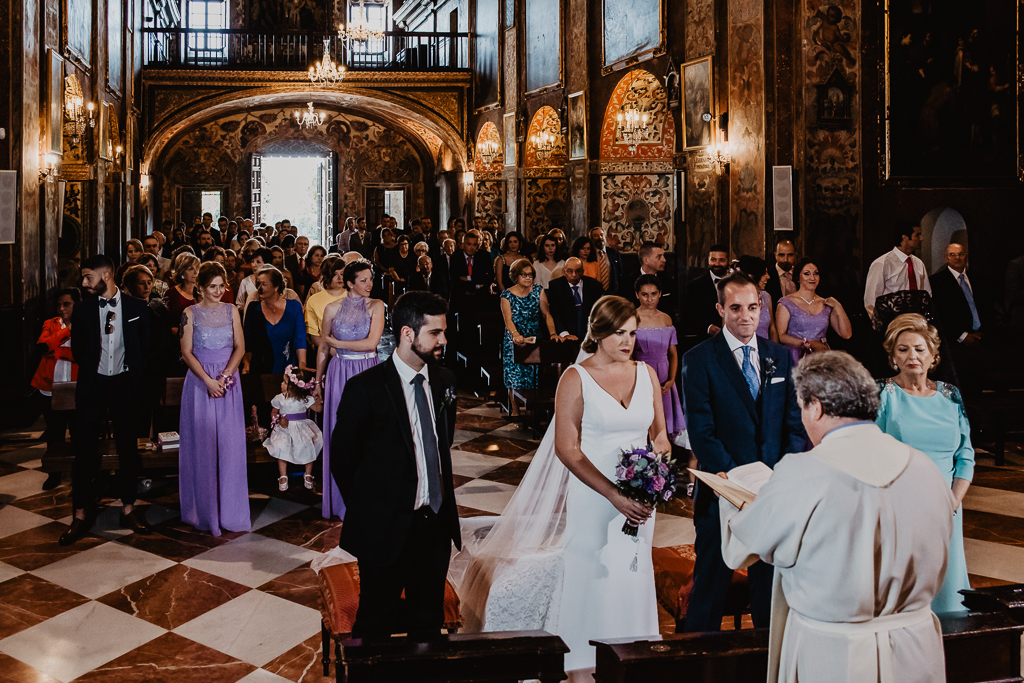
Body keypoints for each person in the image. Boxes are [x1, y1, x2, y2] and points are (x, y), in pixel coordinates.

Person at [455, 296, 668, 679]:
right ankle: (582, 661)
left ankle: (635, 653)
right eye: (619, 333)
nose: (627, 341)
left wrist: (658, 459)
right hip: (595, 496)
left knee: (634, 568)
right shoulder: (576, 378)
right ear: (599, 331)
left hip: (638, 496)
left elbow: (660, 433)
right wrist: (613, 494)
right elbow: (566, 449)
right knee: (594, 568)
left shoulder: (647, 373)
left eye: (633, 333)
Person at [718, 351, 954, 683]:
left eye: (802, 407)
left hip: (832, 653)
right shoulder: (925, 468)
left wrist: (731, 501)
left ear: (815, 406)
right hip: (914, 646)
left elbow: (746, 544)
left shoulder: (804, 472)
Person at [328, 291, 459, 640]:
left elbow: (441, 443)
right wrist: (372, 510)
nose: (443, 340)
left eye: (444, 331)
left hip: (433, 525)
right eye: (434, 333)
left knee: (428, 625)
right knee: (376, 623)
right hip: (384, 528)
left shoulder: (444, 382)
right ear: (407, 334)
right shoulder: (365, 389)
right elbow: (342, 459)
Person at [681, 271, 807, 632]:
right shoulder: (700, 359)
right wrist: (737, 480)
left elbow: (794, 423)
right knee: (711, 583)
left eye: (752, 307)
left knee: (769, 585)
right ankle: (697, 660)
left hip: (772, 489)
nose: (745, 316)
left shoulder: (778, 357)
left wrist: (780, 474)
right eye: (735, 308)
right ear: (721, 309)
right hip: (722, 488)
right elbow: (701, 431)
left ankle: (767, 659)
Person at [875, 314, 974, 614]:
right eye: (903, 349)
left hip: (947, 508)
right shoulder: (883, 395)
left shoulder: (950, 395)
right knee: (908, 592)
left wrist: (953, 501)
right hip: (899, 507)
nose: (912, 356)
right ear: (893, 356)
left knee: (949, 591)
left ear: (933, 355)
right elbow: (871, 454)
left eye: (919, 349)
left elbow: (965, 455)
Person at [62, 255, 152, 545]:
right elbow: (78, 350)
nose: (84, 282)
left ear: (106, 275)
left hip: (125, 384)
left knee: (128, 448)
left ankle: (129, 508)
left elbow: (145, 346)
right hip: (95, 384)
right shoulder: (83, 310)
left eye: (89, 277)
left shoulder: (138, 307)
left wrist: (132, 373)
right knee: (84, 449)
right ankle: (79, 514)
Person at [178, 262, 250, 536]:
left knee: (229, 447)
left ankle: (231, 513)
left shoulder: (232, 310)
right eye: (213, 286)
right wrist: (208, 381)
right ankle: (204, 512)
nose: (219, 291)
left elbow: (240, 347)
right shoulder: (189, 313)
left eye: (222, 285)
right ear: (200, 288)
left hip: (228, 382)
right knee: (204, 448)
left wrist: (225, 376)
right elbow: (186, 353)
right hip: (200, 383)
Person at [314, 261, 386, 520]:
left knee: (368, 435)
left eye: (370, 279)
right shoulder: (332, 308)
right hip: (338, 373)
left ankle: (368, 497)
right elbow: (323, 348)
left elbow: (371, 344)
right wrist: (318, 384)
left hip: (367, 371)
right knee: (340, 434)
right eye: (364, 280)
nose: (369, 284)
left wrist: (337, 342)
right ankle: (340, 500)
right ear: (350, 283)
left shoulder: (376, 306)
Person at [634, 275, 685, 442]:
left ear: (660, 294)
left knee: (664, 419)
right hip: (641, 373)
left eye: (654, 294)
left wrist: (671, 379)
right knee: (644, 419)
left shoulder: (666, 318)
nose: (650, 299)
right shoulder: (632, 318)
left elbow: (673, 354)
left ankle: (662, 461)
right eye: (645, 294)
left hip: (664, 375)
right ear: (637, 295)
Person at [776, 258, 852, 363]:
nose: (812, 277)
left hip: (821, 356)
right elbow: (781, 336)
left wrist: (838, 306)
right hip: (795, 355)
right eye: (807, 274)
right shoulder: (786, 303)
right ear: (798, 277)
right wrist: (808, 343)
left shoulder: (826, 303)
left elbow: (846, 334)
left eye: (816, 273)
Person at [31, 289, 80, 454]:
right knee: (54, 431)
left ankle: (79, 472)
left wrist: (57, 352)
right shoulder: (50, 323)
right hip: (49, 386)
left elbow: (84, 353)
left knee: (78, 432)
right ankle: (54, 474)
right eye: (58, 305)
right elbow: (43, 346)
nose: (62, 309)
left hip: (76, 385)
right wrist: (68, 331)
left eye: (67, 304)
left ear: (77, 304)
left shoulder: (86, 324)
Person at [499, 260, 551, 415]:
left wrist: (553, 333)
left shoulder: (538, 291)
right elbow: (508, 320)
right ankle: (515, 410)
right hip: (514, 339)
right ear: (516, 276)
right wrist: (516, 335)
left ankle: (533, 410)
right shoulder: (506, 295)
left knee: (533, 375)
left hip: (534, 338)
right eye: (524, 275)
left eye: (530, 275)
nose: (528, 278)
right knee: (514, 376)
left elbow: (546, 313)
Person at [265, 365, 322, 492]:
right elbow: (273, 413)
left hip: (302, 428)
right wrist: (279, 419)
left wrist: (317, 399)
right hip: (285, 429)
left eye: (284, 382)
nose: (281, 384)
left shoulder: (305, 399)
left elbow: (318, 409)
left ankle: (308, 474)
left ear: (293, 386)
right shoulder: (280, 398)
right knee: (281, 446)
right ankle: (283, 476)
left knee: (309, 444)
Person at [242, 267, 308, 374]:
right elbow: (248, 341)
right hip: (260, 368)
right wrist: (246, 365)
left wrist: (302, 365)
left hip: (287, 367)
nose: (259, 288)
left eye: (264, 284)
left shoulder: (294, 306)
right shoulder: (253, 308)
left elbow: (300, 339)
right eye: (258, 284)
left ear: (276, 286)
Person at [864, 220, 932, 322]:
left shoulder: (918, 263)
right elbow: (871, 301)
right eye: (917, 235)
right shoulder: (882, 263)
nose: (921, 239)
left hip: (916, 321)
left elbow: (927, 294)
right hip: (892, 322)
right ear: (905, 237)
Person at [930, 242, 989, 346]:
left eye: (960, 254)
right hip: (955, 342)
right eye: (952, 254)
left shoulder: (978, 279)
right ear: (946, 258)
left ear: (965, 256)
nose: (957, 257)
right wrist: (962, 336)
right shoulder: (937, 282)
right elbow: (941, 313)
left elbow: (986, 306)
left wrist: (982, 331)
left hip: (983, 338)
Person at [546, 257, 603, 340]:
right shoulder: (556, 286)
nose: (574, 274)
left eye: (577, 271)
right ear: (564, 272)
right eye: (570, 271)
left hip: (591, 334)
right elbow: (556, 313)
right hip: (566, 336)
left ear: (582, 272)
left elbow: (599, 312)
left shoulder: (594, 285)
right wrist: (564, 334)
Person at [684, 244, 729, 339]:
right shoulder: (695, 285)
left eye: (721, 260)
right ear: (708, 260)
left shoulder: (737, 284)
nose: (717, 264)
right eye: (713, 259)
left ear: (728, 261)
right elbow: (689, 315)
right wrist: (708, 328)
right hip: (706, 340)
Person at [305, 255, 347, 350]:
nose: (340, 277)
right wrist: (332, 351)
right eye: (335, 274)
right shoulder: (314, 300)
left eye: (342, 273)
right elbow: (314, 335)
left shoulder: (352, 296)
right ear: (326, 275)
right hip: (325, 349)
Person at [737, 255, 779, 341]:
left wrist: (774, 351)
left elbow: (772, 329)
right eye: (764, 273)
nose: (768, 277)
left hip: (765, 350)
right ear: (751, 276)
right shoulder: (735, 299)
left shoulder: (766, 297)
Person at [448, 232, 495, 307]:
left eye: (474, 244)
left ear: (477, 245)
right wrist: (478, 284)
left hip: (481, 297)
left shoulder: (484, 256)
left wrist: (468, 278)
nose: (471, 247)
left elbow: (490, 277)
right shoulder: (455, 258)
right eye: (468, 244)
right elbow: (455, 280)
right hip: (461, 297)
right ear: (463, 244)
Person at [167, 252, 200, 336]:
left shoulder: (204, 292)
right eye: (190, 269)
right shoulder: (172, 293)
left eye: (197, 268)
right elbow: (168, 323)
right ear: (182, 272)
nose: (196, 272)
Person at [590, 226, 622, 294]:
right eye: (596, 236)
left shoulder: (614, 253)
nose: (600, 238)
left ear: (605, 236)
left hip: (613, 292)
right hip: (594, 293)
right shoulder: (590, 255)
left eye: (601, 235)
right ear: (591, 239)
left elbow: (620, 273)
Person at [764, 239, 797, 304]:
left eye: (790, 255)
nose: (786, 260)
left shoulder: (801, 275)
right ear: (775, 255)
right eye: (781, 255)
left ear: (795, 255)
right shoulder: (767, 277)